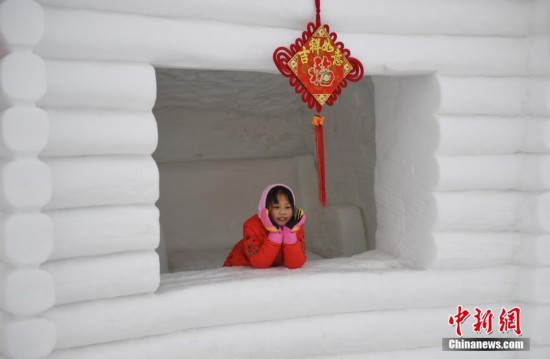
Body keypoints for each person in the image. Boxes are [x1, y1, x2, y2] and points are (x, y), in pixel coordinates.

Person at [223, 183, 307, 269]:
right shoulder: (251, 226)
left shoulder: (295, 226)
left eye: (287, 207)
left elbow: (295, 264)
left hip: (270, 274)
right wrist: (275, 234)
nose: (283, 212)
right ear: (265, 208)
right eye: (276, 207)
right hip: (239, 271)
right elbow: (259, 263)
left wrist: (290, 233)